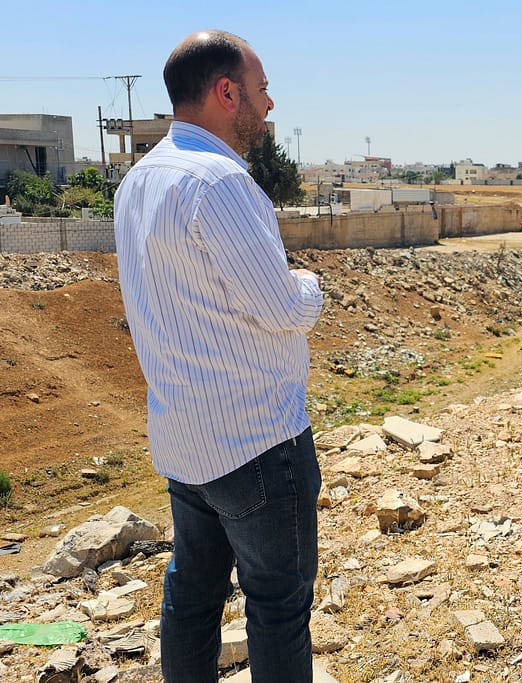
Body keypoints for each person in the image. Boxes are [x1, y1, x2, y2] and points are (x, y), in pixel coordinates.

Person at [114, 30, 324, 683]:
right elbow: (284, 308)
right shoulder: (221, 183)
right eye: (260, 92)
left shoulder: (138, 181)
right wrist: (312, 285)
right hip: (257, 441)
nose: (268, 106)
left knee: (192, 600)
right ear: (225, 91)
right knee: (278, 609)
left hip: (185, 441)